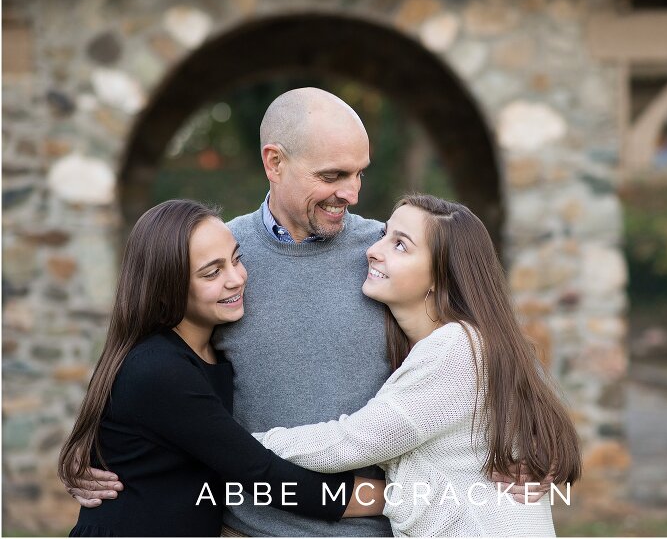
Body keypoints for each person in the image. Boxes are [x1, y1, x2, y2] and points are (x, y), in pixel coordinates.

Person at [67, 88, 552, 536]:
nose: (352, 192)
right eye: (332, 175)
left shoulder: (387, 258)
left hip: (373, 530)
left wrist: (538, 448)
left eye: (359, 172)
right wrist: (98, 455)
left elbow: (498, 355)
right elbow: (146, 365)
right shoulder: (217, 259)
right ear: (274, 162)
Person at [252, 194, 583, 536]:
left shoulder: (456, 349)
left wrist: (234, 444)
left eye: (400, 246)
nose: (373, 251)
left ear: (443, 276)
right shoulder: (463, 344)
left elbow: (354, 443)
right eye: (384, 235)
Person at [58, 199, 382, 537]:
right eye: (212, 272)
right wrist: (398, 495)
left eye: (236, 259)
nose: (236, 279)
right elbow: (262, 476)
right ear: (166, 288)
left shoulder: (212, 350)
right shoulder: (158, 369)